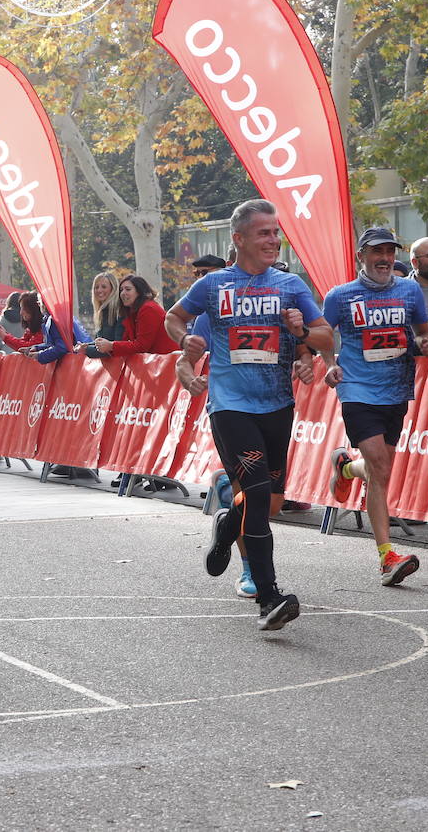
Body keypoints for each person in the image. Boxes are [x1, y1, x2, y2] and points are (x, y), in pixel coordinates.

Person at [164, 198, 334, 631]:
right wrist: (186, 341)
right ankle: (269, 596)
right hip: (230, 406)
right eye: (264, 233)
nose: (273, 240)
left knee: (271, 500)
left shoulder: (290, 286)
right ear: (238, 239)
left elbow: (325, 336)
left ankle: (226, 528)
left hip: (277, 405)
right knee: (257, 493)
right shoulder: (215, 286)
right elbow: (173, 317)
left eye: (276, 233)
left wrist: (301, 336)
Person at [320, 228, 428, 586]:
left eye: (389, 251)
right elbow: (324, 332)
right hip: (356, 389)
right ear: (362, 257)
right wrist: (329, 363)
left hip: (396, 389)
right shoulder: (340, 296)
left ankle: (346, 468)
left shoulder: (409, 290)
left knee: (378, 471)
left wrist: (425, 341)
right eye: (377, 252)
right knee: (381, 465)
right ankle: (387, 557)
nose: (385, 258)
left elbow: (423, 329)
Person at [87, 274, 179, 357]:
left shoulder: (148, 309)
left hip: (167, 363)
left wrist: (111, 346)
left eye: (128, 289)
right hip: (156, 364)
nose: (123, 293)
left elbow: (142, 346)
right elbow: (126, 341)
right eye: (121, 290)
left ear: (139, 291)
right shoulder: (131, 312)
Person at [81, 273, 123, 359]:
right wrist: (86, 346)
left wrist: (86, 350)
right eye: (96, 287)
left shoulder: (119, 311)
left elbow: (113, 347)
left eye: (104, 287)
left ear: (113, 289)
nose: (99, 290)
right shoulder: (102, 312)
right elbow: (100, 342)